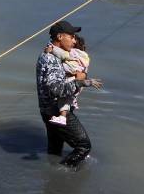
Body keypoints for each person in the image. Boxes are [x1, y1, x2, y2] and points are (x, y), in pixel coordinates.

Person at [35, 21, 102, 169]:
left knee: (54, 151)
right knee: (84, 146)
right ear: (60, 36)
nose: (74, 40)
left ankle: (51, 179)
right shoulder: (50, 59)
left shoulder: (53, 54)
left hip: (49, 111)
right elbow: (56, 89)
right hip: (55, 110)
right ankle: (62, 174)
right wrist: (80, 82)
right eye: (71, 36)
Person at [45, 34, 94, 126]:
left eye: (73, 40)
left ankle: (63, 117)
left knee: (64, 98)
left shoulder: (73, 52)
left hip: (71, 81)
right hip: (78, 85)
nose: (73, 42)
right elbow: (83, 73)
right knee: (69, 98)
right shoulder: (85, 56)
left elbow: (63, 55)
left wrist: (52, 49)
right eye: (71, 39)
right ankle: (64, 114)